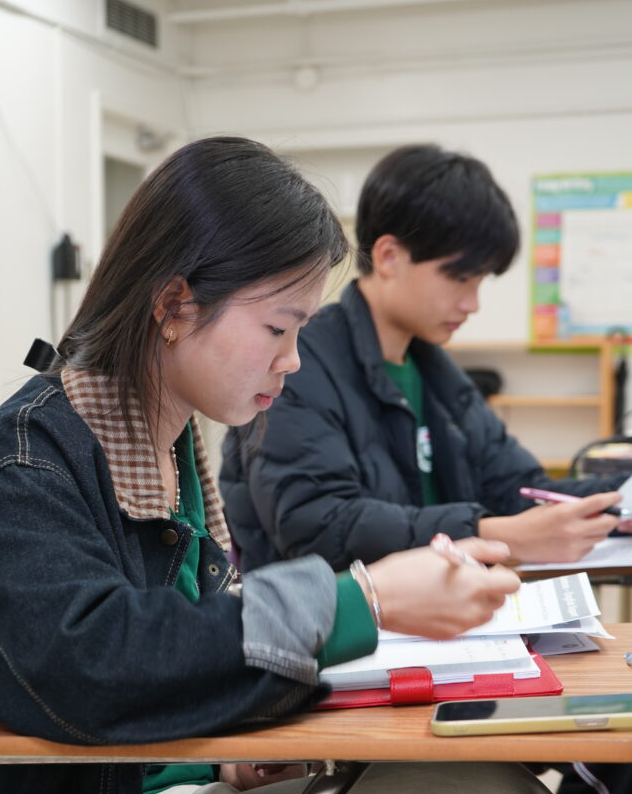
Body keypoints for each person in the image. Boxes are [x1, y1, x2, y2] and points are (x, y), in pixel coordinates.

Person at [0, 137, 632, 794]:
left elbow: (165, 650)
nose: (293, 360)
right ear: (173, 303)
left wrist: (228, 739)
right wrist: (371, 601)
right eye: (278, 327)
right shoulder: (19, 466)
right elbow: (94, 660)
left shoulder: (165, 446)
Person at [220, 142, 631, 574]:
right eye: (459, 278)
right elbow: (320, 527)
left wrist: (619, 498)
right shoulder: (300, 366)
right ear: (388, 257)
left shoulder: (437, 374)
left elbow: (521, 490)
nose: (472, 304)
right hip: (343, 634)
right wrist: (490, 532)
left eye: (481, 282)